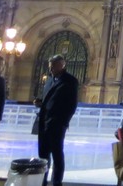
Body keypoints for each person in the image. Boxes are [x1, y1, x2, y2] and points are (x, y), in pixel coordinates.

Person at [34, 54, 79, 186]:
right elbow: (48, 99)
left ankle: (56, 182)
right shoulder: (49, 80)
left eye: (53, 66)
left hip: (57, 123)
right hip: (44, 121)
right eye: (50, 66)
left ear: (62, 65)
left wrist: (63, 122)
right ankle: (43, 181)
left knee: (57, 154)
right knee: (43, 154)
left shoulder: (70, 81)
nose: (51, 69)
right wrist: (40, 103)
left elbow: (72, 105)